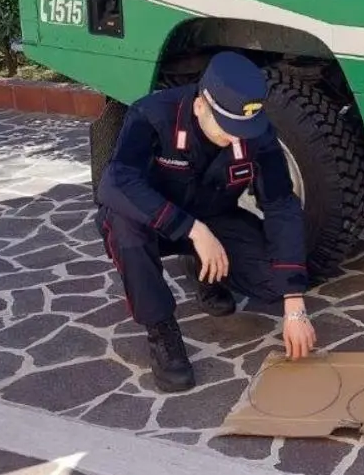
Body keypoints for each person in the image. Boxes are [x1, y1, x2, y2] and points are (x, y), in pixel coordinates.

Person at [95, 51, 317, 393]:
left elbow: (281, 204)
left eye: (244, 130)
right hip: (154, 222)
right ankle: (161, 331)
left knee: (276, 282)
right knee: (125, 230)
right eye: (228, 129)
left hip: (214, 216)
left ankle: (207, 271)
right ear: (201, 106)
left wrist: (294, 301)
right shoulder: (152, 115)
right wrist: (193, 230)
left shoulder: (255, 132)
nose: (236, 139)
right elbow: (116, 183)